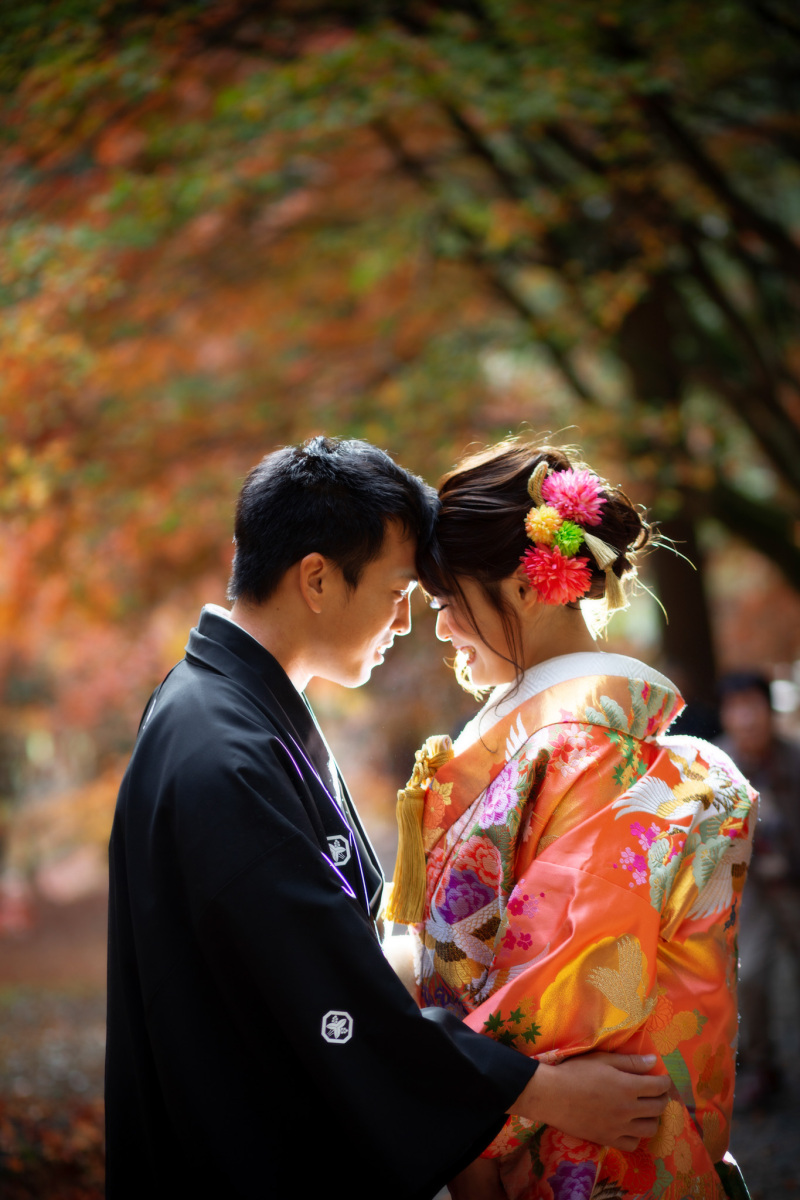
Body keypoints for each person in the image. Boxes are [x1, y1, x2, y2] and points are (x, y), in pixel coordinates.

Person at [105, 436, 670, 1200]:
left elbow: (340, 945)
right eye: (399, 591)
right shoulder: (220, 753)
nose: (408, 622)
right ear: (317, 579)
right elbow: (331, 995)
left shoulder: (225, 710)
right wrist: (544, 1091)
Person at [387, 441, 756, 1200]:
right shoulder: (561, 744)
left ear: (528, 587)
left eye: (449, 602)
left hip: (587, 1140)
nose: (442, 628)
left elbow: (569, 995)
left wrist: (446, 1083)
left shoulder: (594, 756)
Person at [718, 670, 800, 1112]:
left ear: (770, 710)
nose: (747, 718)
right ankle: (761, 1065)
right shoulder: (716, 768)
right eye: (736, 708)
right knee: (748, 973)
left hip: (795, 878)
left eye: (754, 706)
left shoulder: (794, 758)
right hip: (747, 887)